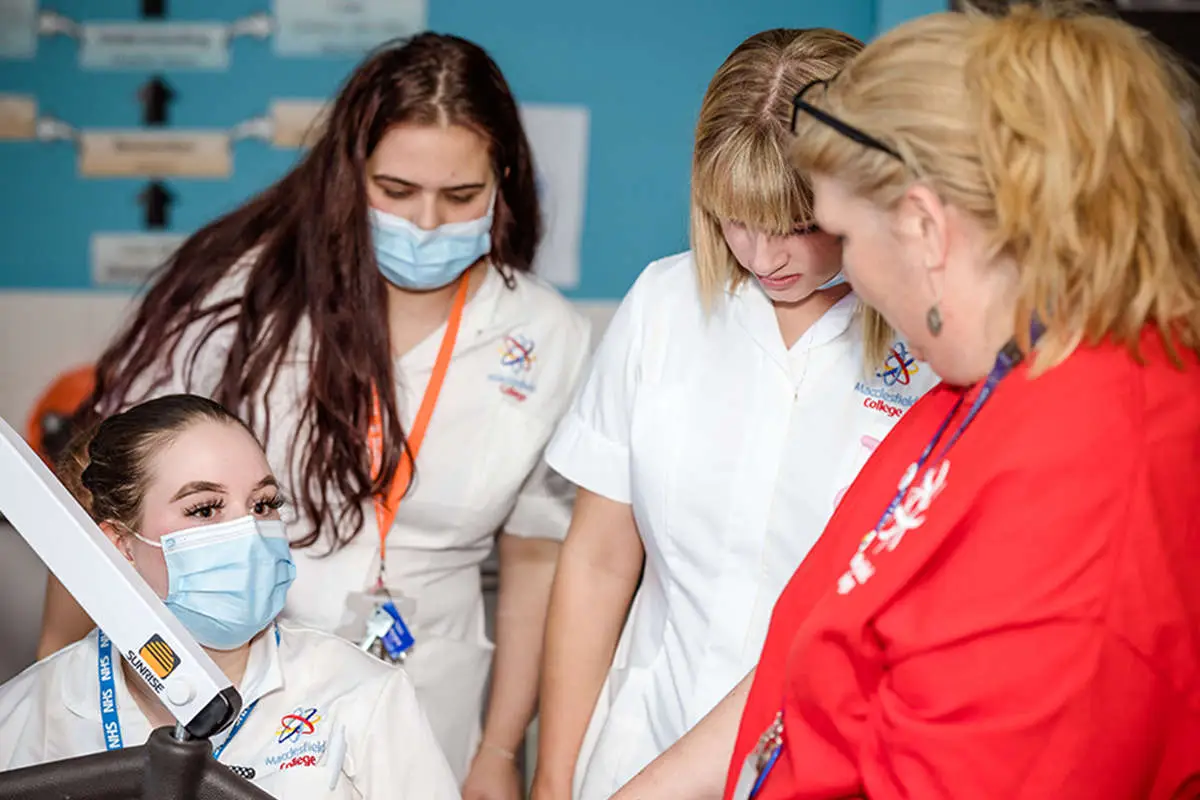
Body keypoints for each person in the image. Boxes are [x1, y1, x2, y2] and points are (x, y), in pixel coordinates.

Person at [37, 32, 591, 795]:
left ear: (505, 181)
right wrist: (50, 676)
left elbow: (538, 557)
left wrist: (498, 752)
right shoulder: (241, 296)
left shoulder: (545, 334)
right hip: (226, 686)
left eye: (460, 197)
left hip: (429, 693)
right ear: (347, 174)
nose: (428, 223)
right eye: (396, 191)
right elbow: (106, 482)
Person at [727, 6, 1200, 799]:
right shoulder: (980, 390)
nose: (851, 271)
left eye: (842, 236)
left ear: (924, 226)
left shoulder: (1097, 466)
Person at [532, 29, 939, 800]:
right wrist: (554, 777)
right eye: (734, 217)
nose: (762, 256)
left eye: (798, 224)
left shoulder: (933, 341)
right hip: (643, 746)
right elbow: (597, 559)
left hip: (833, 761)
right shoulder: (664, 304)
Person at [0, 394, 459, 798]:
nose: (250, 534)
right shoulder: (31, 712)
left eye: (263, 505)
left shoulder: (359, 695)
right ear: (121, 546)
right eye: (204, 509)